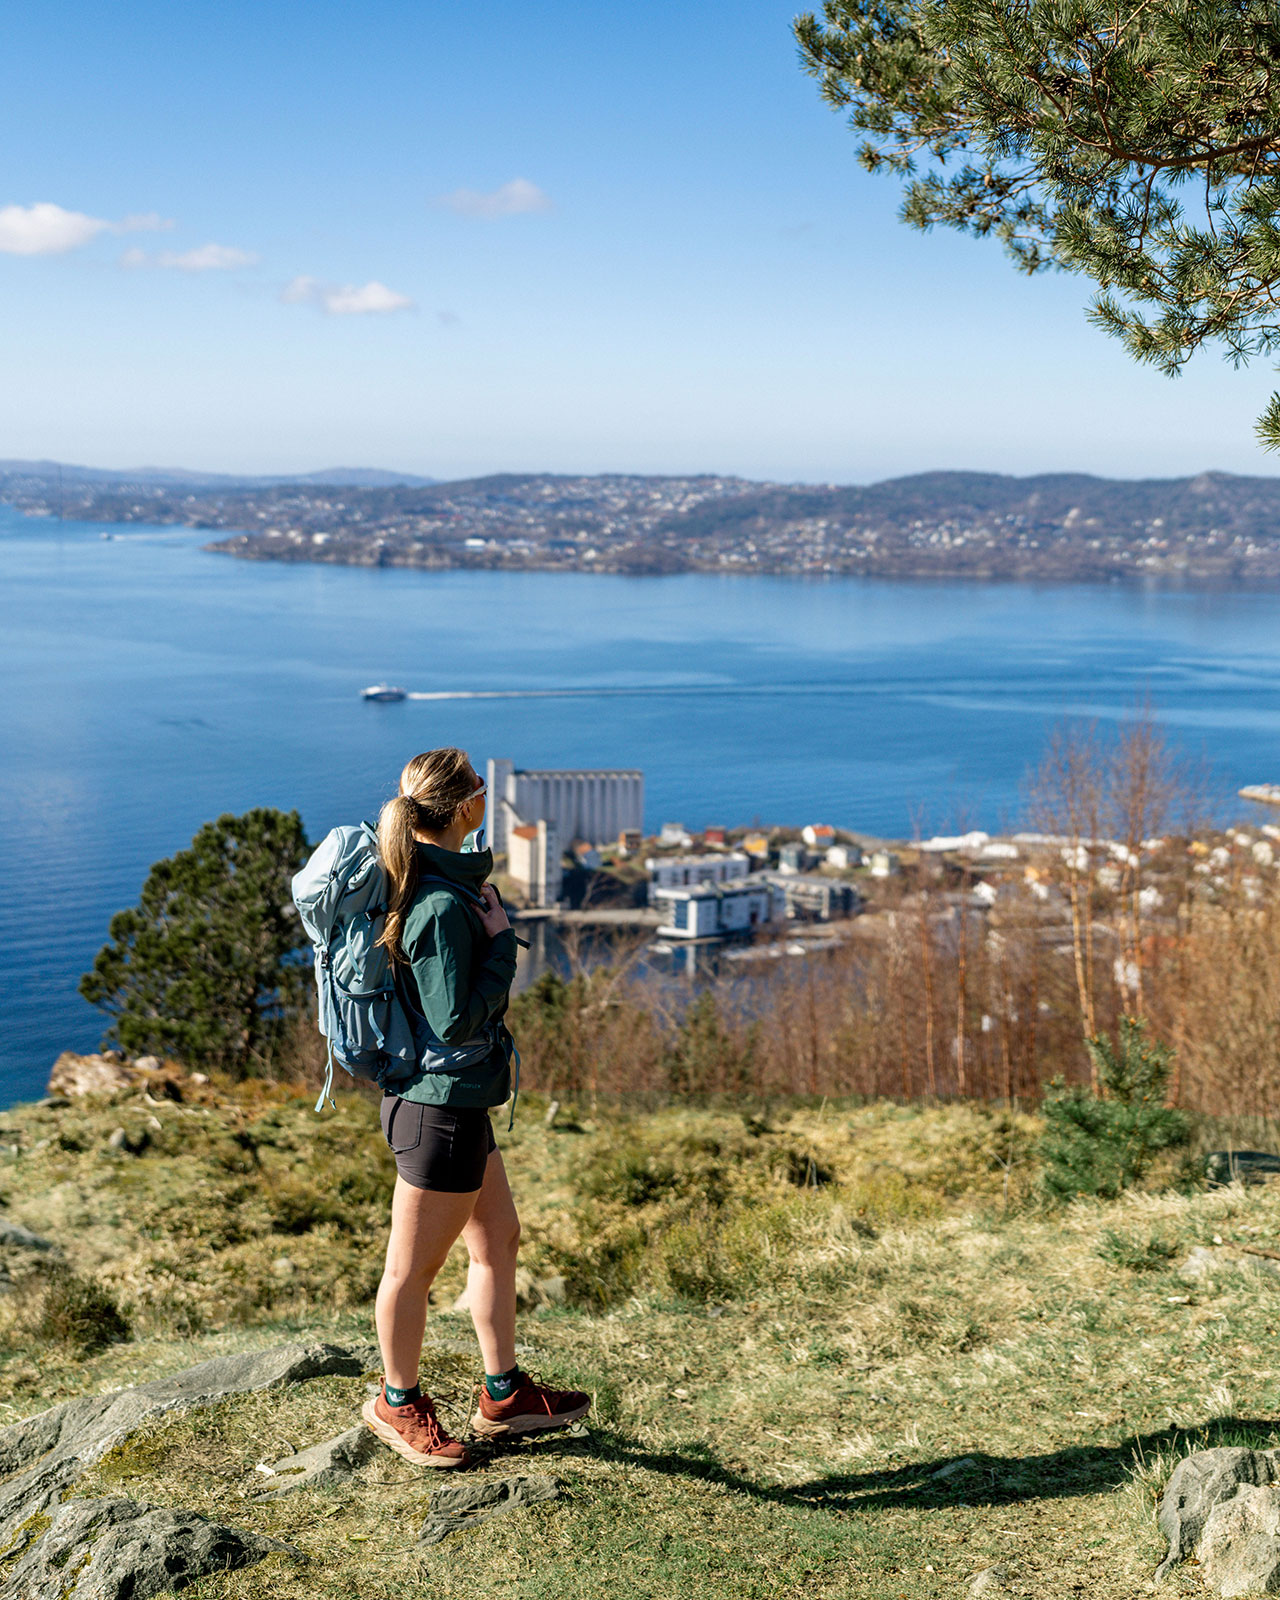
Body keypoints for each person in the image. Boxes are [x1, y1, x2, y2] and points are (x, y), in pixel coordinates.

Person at [361, 747, 590, 1469]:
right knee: (412, 1273)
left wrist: (486, 926)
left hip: (454, 1107)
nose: (487, 799)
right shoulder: (437, 906)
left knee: (498, 1239)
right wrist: (501, 948)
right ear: (464, 808)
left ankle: (505, 1395)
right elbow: (456, 1020)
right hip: (438, 1116)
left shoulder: (441, 885)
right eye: (481, 791)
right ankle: (396, 1404)